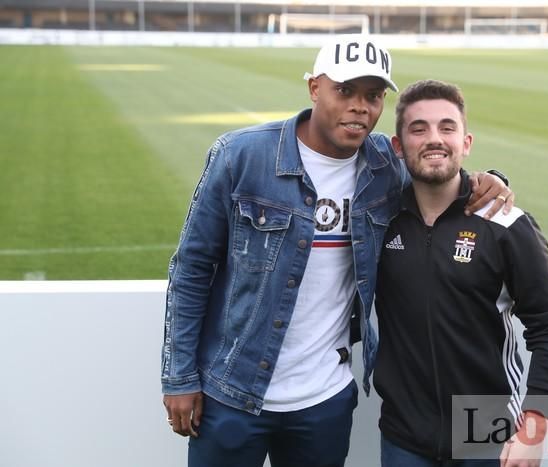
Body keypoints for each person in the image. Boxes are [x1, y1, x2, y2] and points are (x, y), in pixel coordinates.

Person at [160, 36, 513, 467]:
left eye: (373, 95)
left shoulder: (385, 164)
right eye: (345, 91)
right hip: (233, 394)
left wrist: (489, 178)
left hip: (324, 401)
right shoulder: (241, 155)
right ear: (314, 89)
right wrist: (179, 377)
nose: (360, 106)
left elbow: (438, 170)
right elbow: (191, 268)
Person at [373, 79, 548, 467]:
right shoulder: (379, 221)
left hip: (489, 432)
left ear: (466, 143)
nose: (434, 139)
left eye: (447, 127)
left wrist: (535, 425)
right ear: (398, 147)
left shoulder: (507, 224)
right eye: (419, 129)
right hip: (404, 436)